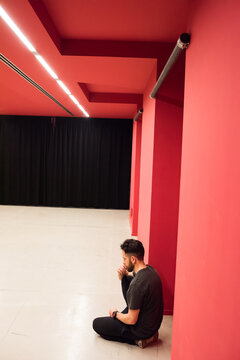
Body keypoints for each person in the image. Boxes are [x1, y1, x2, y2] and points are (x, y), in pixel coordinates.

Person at [92, 239, 164, 348]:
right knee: (126, 278)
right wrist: (123, 276)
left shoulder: (137, 285)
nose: (123, 262)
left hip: (141, 329)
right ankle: (146, 334)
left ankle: (140, 340)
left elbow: (131, 320)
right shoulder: (150, 270)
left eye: (125, 259)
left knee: (97, 324)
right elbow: (136, 279)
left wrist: (115, 314)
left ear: (133, 259)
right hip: (153, 324)